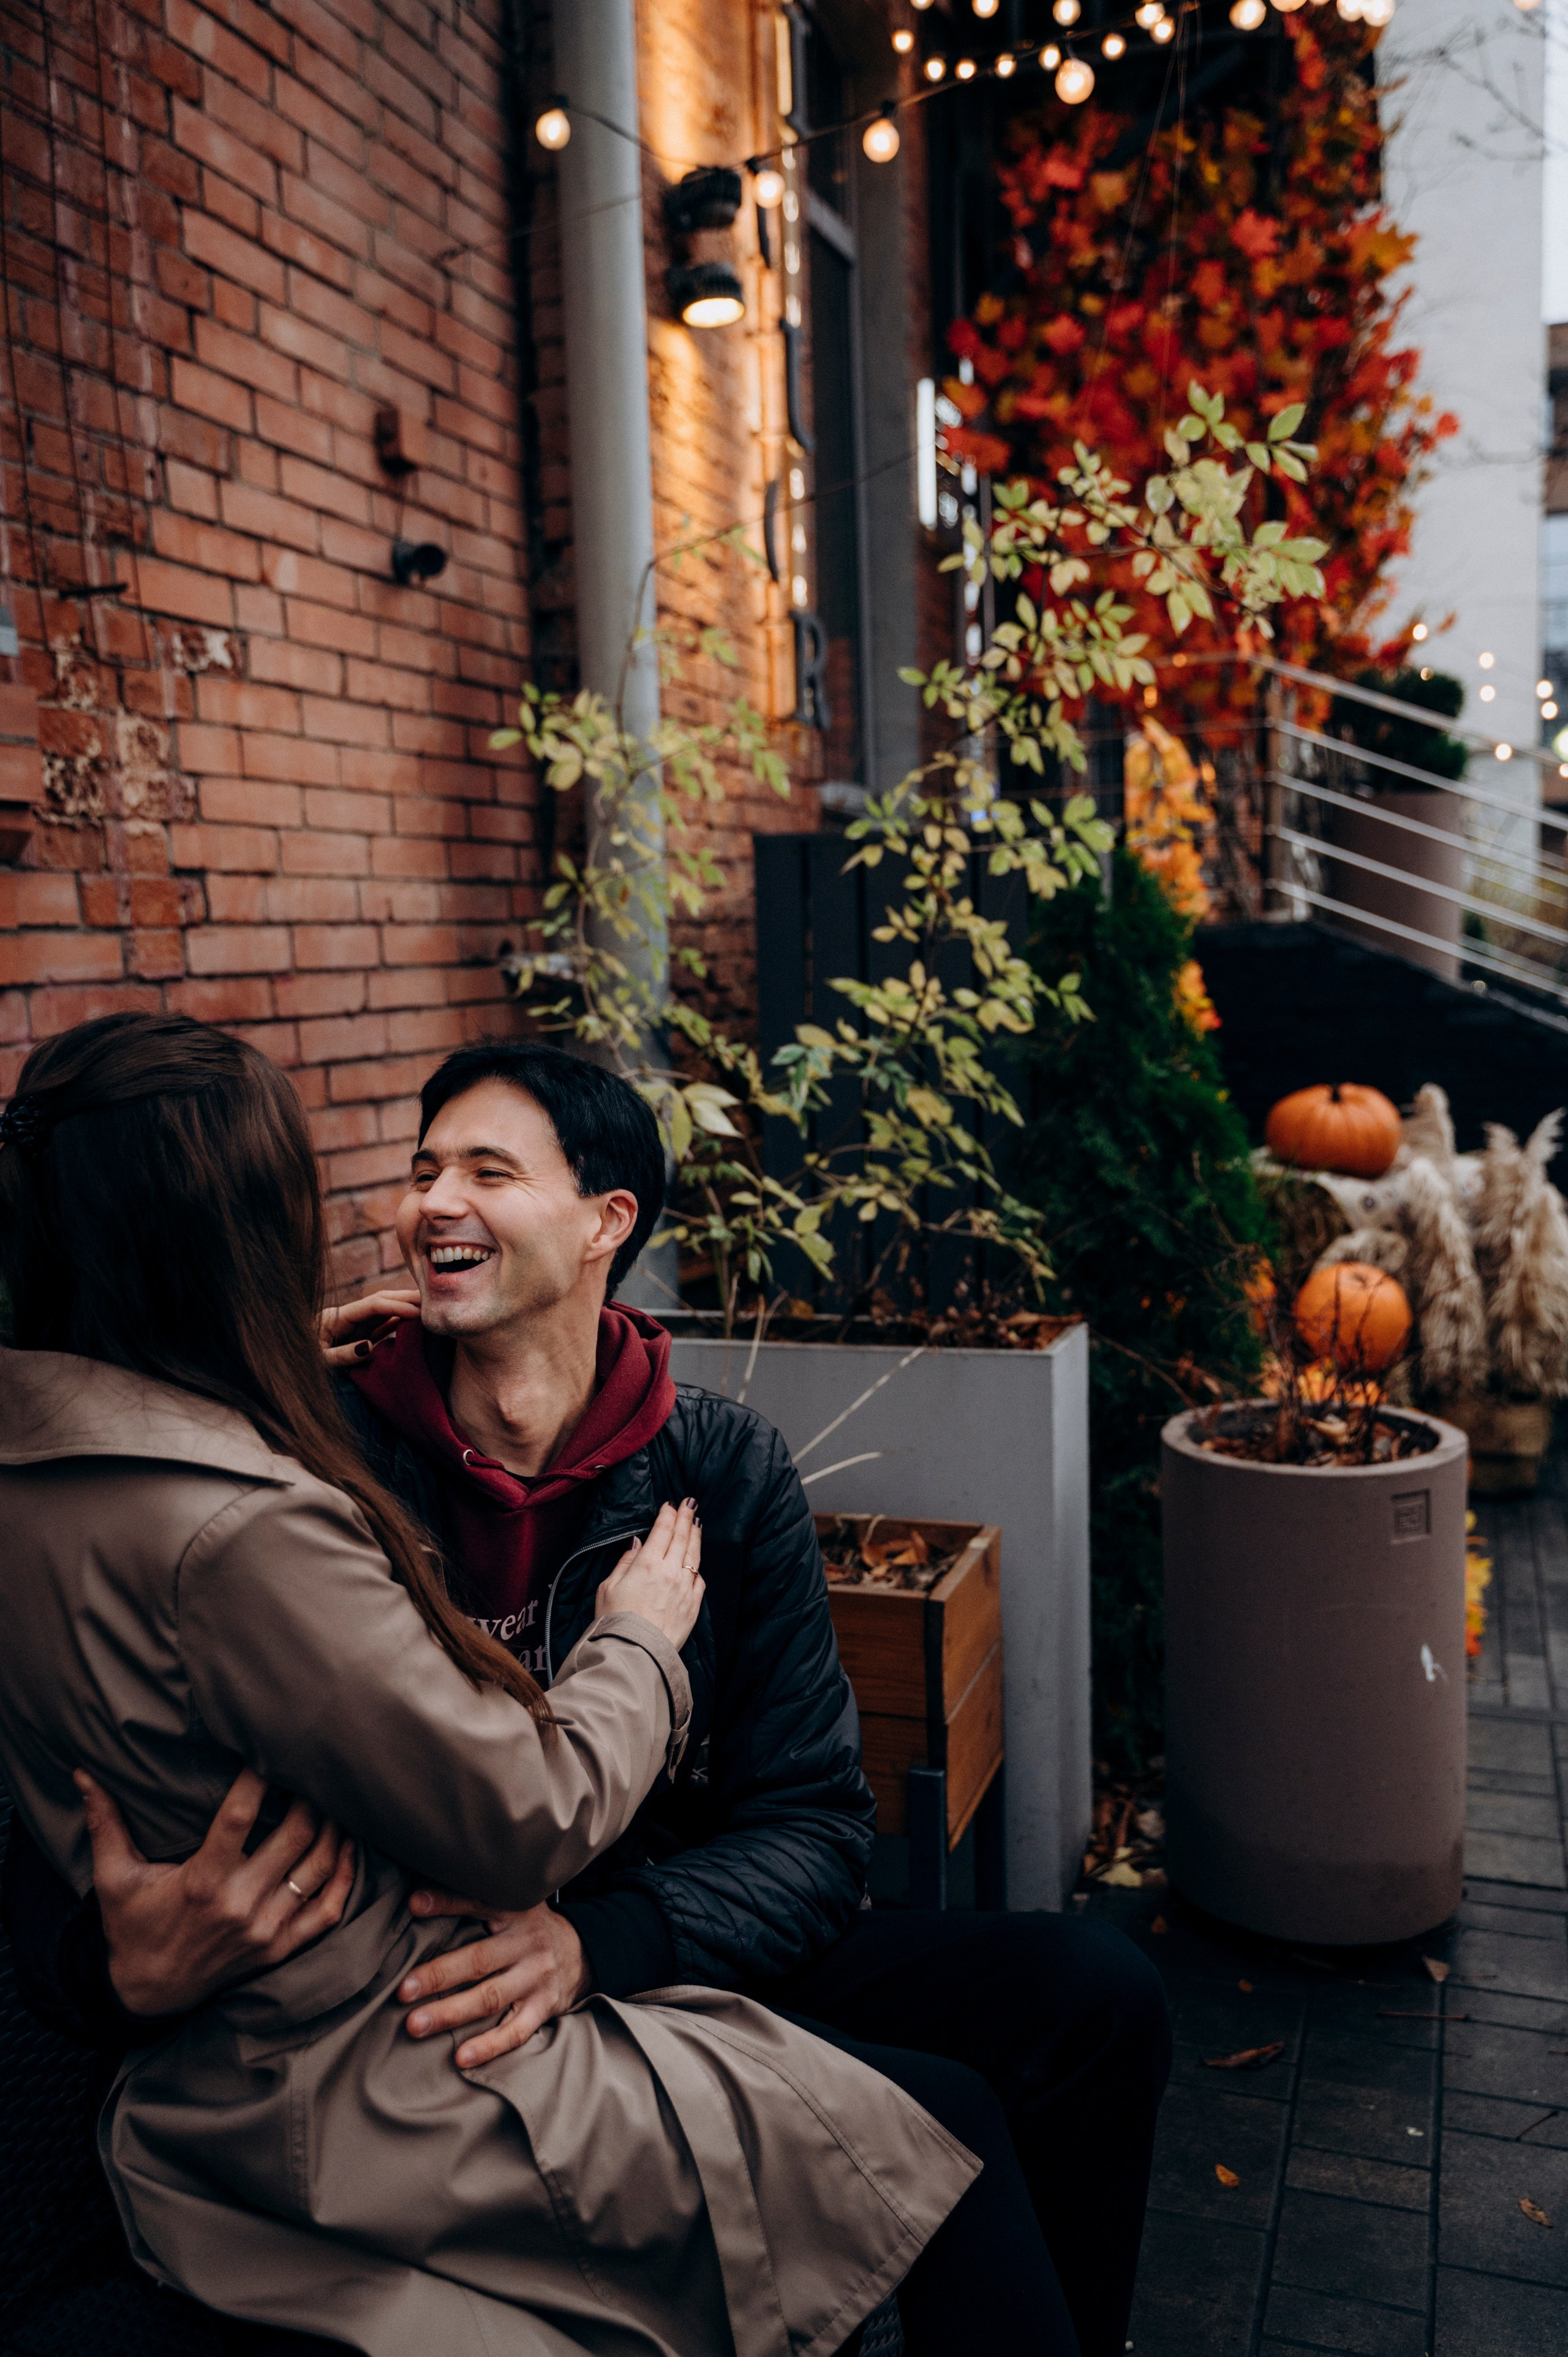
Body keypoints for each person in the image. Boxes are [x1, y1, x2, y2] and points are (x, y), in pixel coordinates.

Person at [4, 1030, 1170, 2353]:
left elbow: (814, 1827)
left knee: (1090, 1994)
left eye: (488, 1170)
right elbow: (107, 1776)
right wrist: (106, 1963)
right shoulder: (317, 1452)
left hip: (636, 1932)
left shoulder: (721, 1468)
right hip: (431, 1993)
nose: (429, 1202)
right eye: (419, 1167)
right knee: (942, 2121)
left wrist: (601, 1943)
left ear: (605, 1221)